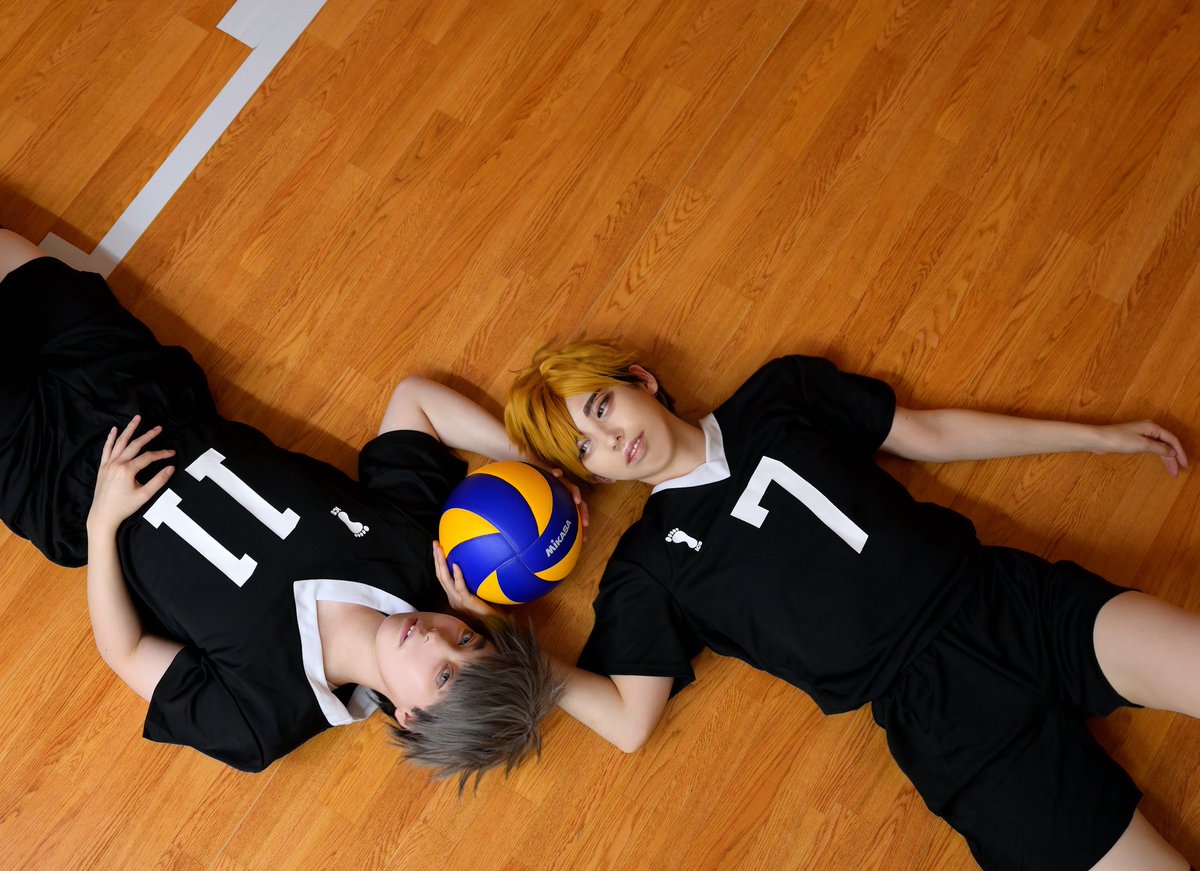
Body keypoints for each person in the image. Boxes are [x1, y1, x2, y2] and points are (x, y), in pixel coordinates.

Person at [475, 339, 1199, 870]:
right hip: (947, 724)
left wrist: (1095, 437)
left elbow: (927, 433)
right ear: (593, 476)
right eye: (585, 448)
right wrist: (502, 636)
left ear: (640, 379)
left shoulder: (779, 393)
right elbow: (629, 722)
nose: (609, 438)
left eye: (601, 406)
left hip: (1011, 602)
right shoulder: (647, 569)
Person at [0, 229, 564, 789]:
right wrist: (536, 462)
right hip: (139, 385)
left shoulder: (259, 721)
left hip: (53, 482)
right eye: (467, 640)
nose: (437, 638)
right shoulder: (416, 551)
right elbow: (416, 402)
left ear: (411, 717)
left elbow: (125, 651)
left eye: (443, 675)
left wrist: (102, 522)